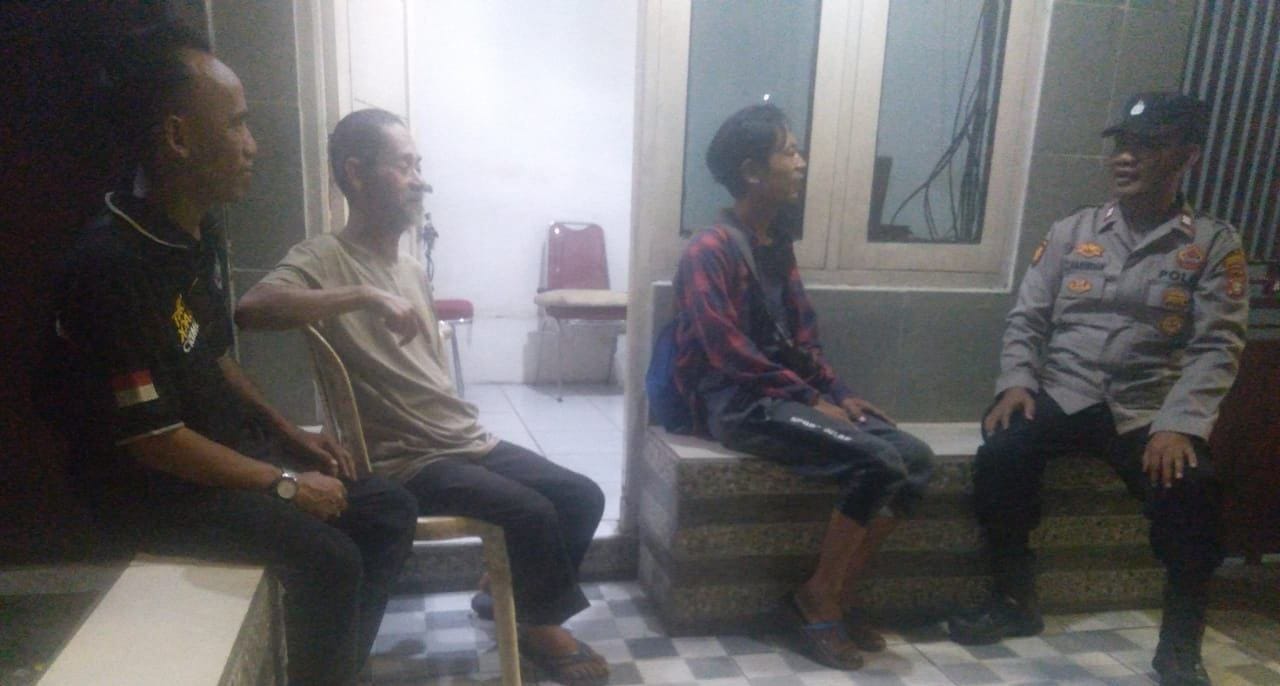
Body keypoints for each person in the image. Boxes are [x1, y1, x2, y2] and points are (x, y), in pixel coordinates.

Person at [46, 24, 418, 686]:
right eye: (238, 124)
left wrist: (290, 436)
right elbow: (153, 439)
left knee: (387, 508)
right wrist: (284, 483)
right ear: (178, 137)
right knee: (330, 558)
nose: (253, 144)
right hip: (155, 492)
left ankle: (330, 670)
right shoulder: (111, 265)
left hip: (215, 458)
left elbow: (214, 355)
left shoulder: (196, 233)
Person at [235, 108, 610, 686]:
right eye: (404, 166)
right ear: (356, 173)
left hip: (461, 438)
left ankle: (502, 595)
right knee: (531, 513)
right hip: (405, 458)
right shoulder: (324, 257)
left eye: (419, 165)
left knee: (581, 496)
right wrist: (362, 295)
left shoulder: (410, 267)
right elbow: (252, 308)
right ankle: (539, 626)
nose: (419, 180)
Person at [947, 93, 1248, 686]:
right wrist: (1016, 382)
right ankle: (1013, 600)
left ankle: (1179, 647)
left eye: (1146, 146)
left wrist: (1180, 424)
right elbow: (1028, 318)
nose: (1125, 158)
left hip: (1146, 408)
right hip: (1065, 392)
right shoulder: (1072, 231)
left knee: (1194, 489)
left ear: (1186, 157)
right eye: (1121, 145)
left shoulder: (1213, 244)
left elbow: (1217, 345)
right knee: (1002, 450)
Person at [670, 104, 935, 670]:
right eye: (789, 151)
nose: (801, 162)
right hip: (736, 404)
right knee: (876, 462)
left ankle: (836, 591)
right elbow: (726, 351)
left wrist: (837, 393)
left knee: (915, 458)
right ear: (751, 171)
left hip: (782, 395)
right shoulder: (708, 251)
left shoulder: (774, 244)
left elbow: (801, 334)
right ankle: (817, 598)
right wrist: (810, 399)